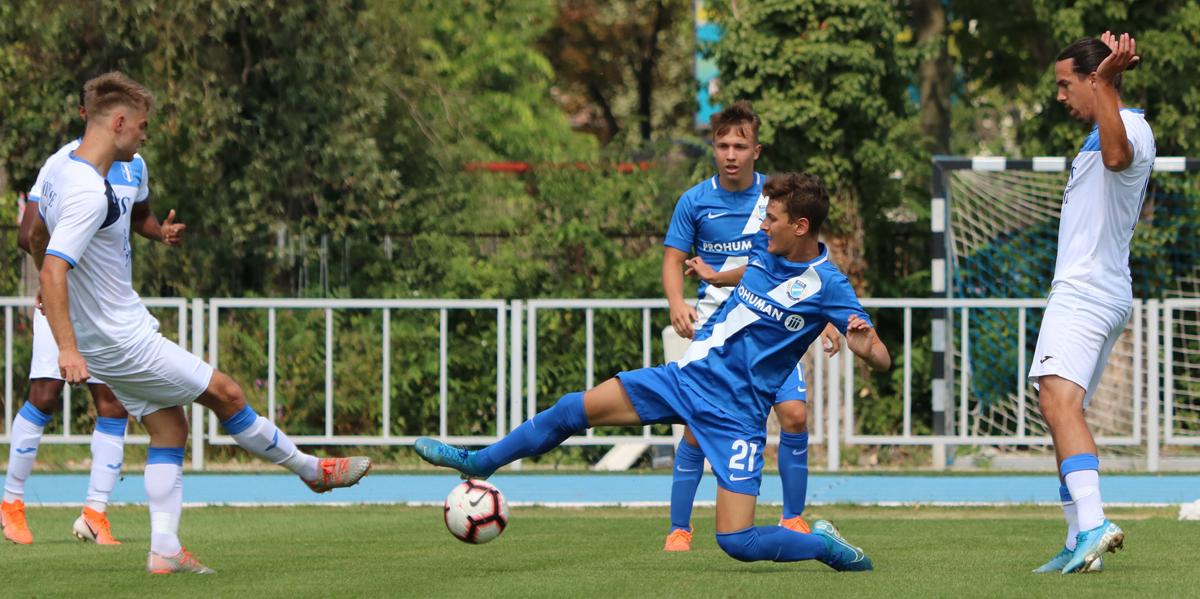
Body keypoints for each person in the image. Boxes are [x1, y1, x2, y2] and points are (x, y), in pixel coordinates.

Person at [416, 172, 890, 570]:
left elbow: (881, 357)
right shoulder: (767, 249)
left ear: (801, 226)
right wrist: (716, 276)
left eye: (773, 219)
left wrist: (864, 347)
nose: (764, 225)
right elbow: (752, 269)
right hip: (684, 381)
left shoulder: (829, 285)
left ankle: (822, 545)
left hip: (737, 416)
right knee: (571, 410)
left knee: (738, 542)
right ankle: (481, 461)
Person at [33, 71, 371, 574]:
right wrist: (66, 348)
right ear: (119, 122)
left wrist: (64, 308)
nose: (145, 136)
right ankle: (311, 470)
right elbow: (53, 268)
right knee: (226, 392)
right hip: (121, 340)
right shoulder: (89, 191)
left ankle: (164, 549)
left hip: (108, 336)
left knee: (170, 426)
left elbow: (36, 235)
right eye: (142, 126)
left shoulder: (62, 169)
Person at [3, 89, 185, 547]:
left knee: (113, 403)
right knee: (45, 394)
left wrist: (160, 232)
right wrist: (54, 273)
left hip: (108, 313)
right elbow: (29, 232)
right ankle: (10, 504)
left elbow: (137, 217)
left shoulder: (135, 165)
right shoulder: (61, 164)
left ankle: (94, 514)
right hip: (63, 300)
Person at [660, 100, 839, 551]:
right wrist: (677, 302)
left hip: (773, 330)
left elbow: (805, 262)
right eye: (723, 145)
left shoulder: (776, 201)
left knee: (794, 415)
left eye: (740, 146)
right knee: (696, 426)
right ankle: (680, 528)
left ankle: (793, 518)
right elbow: (672, 259)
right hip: (718, 331)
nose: (731, 154)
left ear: (756, 151)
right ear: (713, 148)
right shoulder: (695, 201)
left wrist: (827, 318)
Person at [1029, 32, 1154, 575]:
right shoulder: (1106, 128)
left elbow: (1117, 155)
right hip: (1095, 291)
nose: (1060, 95)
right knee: (1057, 407)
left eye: (1066, 84)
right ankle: (1079, 539)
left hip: (1086, 292)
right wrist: (1105, 79)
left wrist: (1104, 80)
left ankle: (1095, 524)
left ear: (1093, 79)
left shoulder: (1128, 128)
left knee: (1058, 402)